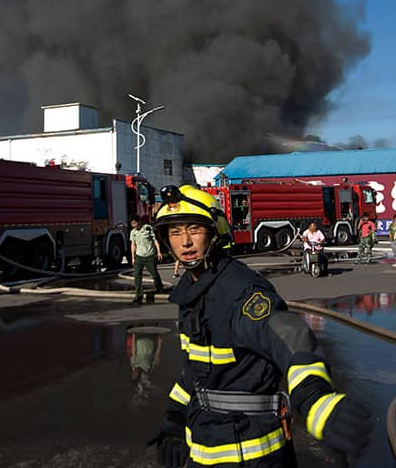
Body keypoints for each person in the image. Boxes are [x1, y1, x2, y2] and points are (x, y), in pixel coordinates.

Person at [147, 185, 371, 468]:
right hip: (204, 447)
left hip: (253, 454)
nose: (186, 242)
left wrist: (315, 399)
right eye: (175, 233)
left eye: (194, 229)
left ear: (215, 233)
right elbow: (193, 369)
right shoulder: (190, 293)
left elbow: (290, 337)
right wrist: (175, 419)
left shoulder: (240, 291)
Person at [130, 213, 164, 303]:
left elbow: (155, 240)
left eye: (134, 223)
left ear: (138, 222)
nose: (133, 225)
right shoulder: (133, 232)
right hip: (139, 256)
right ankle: (139, 294)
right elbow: (133, 245)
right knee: (137, 275)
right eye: (132, 224)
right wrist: (133, 257)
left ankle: (160, 289)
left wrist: (159, 252)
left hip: (150, 255)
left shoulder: (148, 228)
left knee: (154, 274)